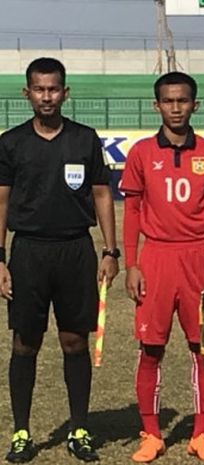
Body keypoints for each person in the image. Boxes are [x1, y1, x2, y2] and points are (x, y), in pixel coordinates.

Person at [0, 57, 119, 463]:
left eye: (54, 89)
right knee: (25, 344)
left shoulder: (85, 139)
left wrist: (110, 250)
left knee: (74, 342)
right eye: (39, 89)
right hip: (29, 252)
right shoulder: (11, 143)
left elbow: (102, 194)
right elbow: (0, 201)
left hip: (75, 250)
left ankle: (79, 428)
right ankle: (21, 432)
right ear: (27, 93)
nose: (46, 96)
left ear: (65, 93)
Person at [120, 72, 204, 463]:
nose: (176, 107)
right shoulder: (140, 153)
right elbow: (132, 210)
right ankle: (151, 434)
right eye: (168, 101)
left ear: (194, 104)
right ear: (157, 106)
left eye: (183, 100)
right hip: (156, 258)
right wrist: (132, 263)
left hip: (198, 257)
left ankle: (202, 434)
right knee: (150, 349)